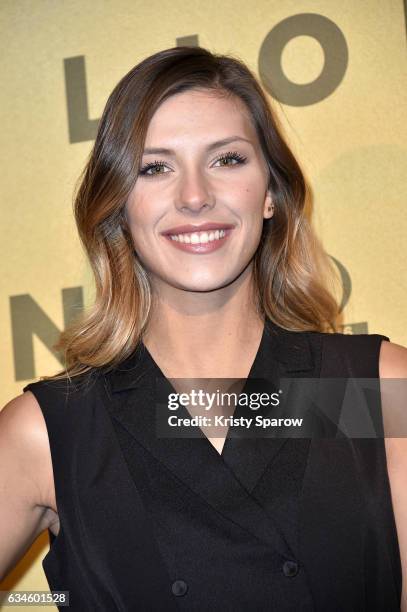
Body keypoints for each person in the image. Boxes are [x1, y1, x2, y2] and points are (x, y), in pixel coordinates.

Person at [0, 46, 406, 611]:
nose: (195, 197)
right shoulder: (50, 433)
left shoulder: (377, 390)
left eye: (228, 160)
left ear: (270, 193)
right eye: (155, 167)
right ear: (118, 205)